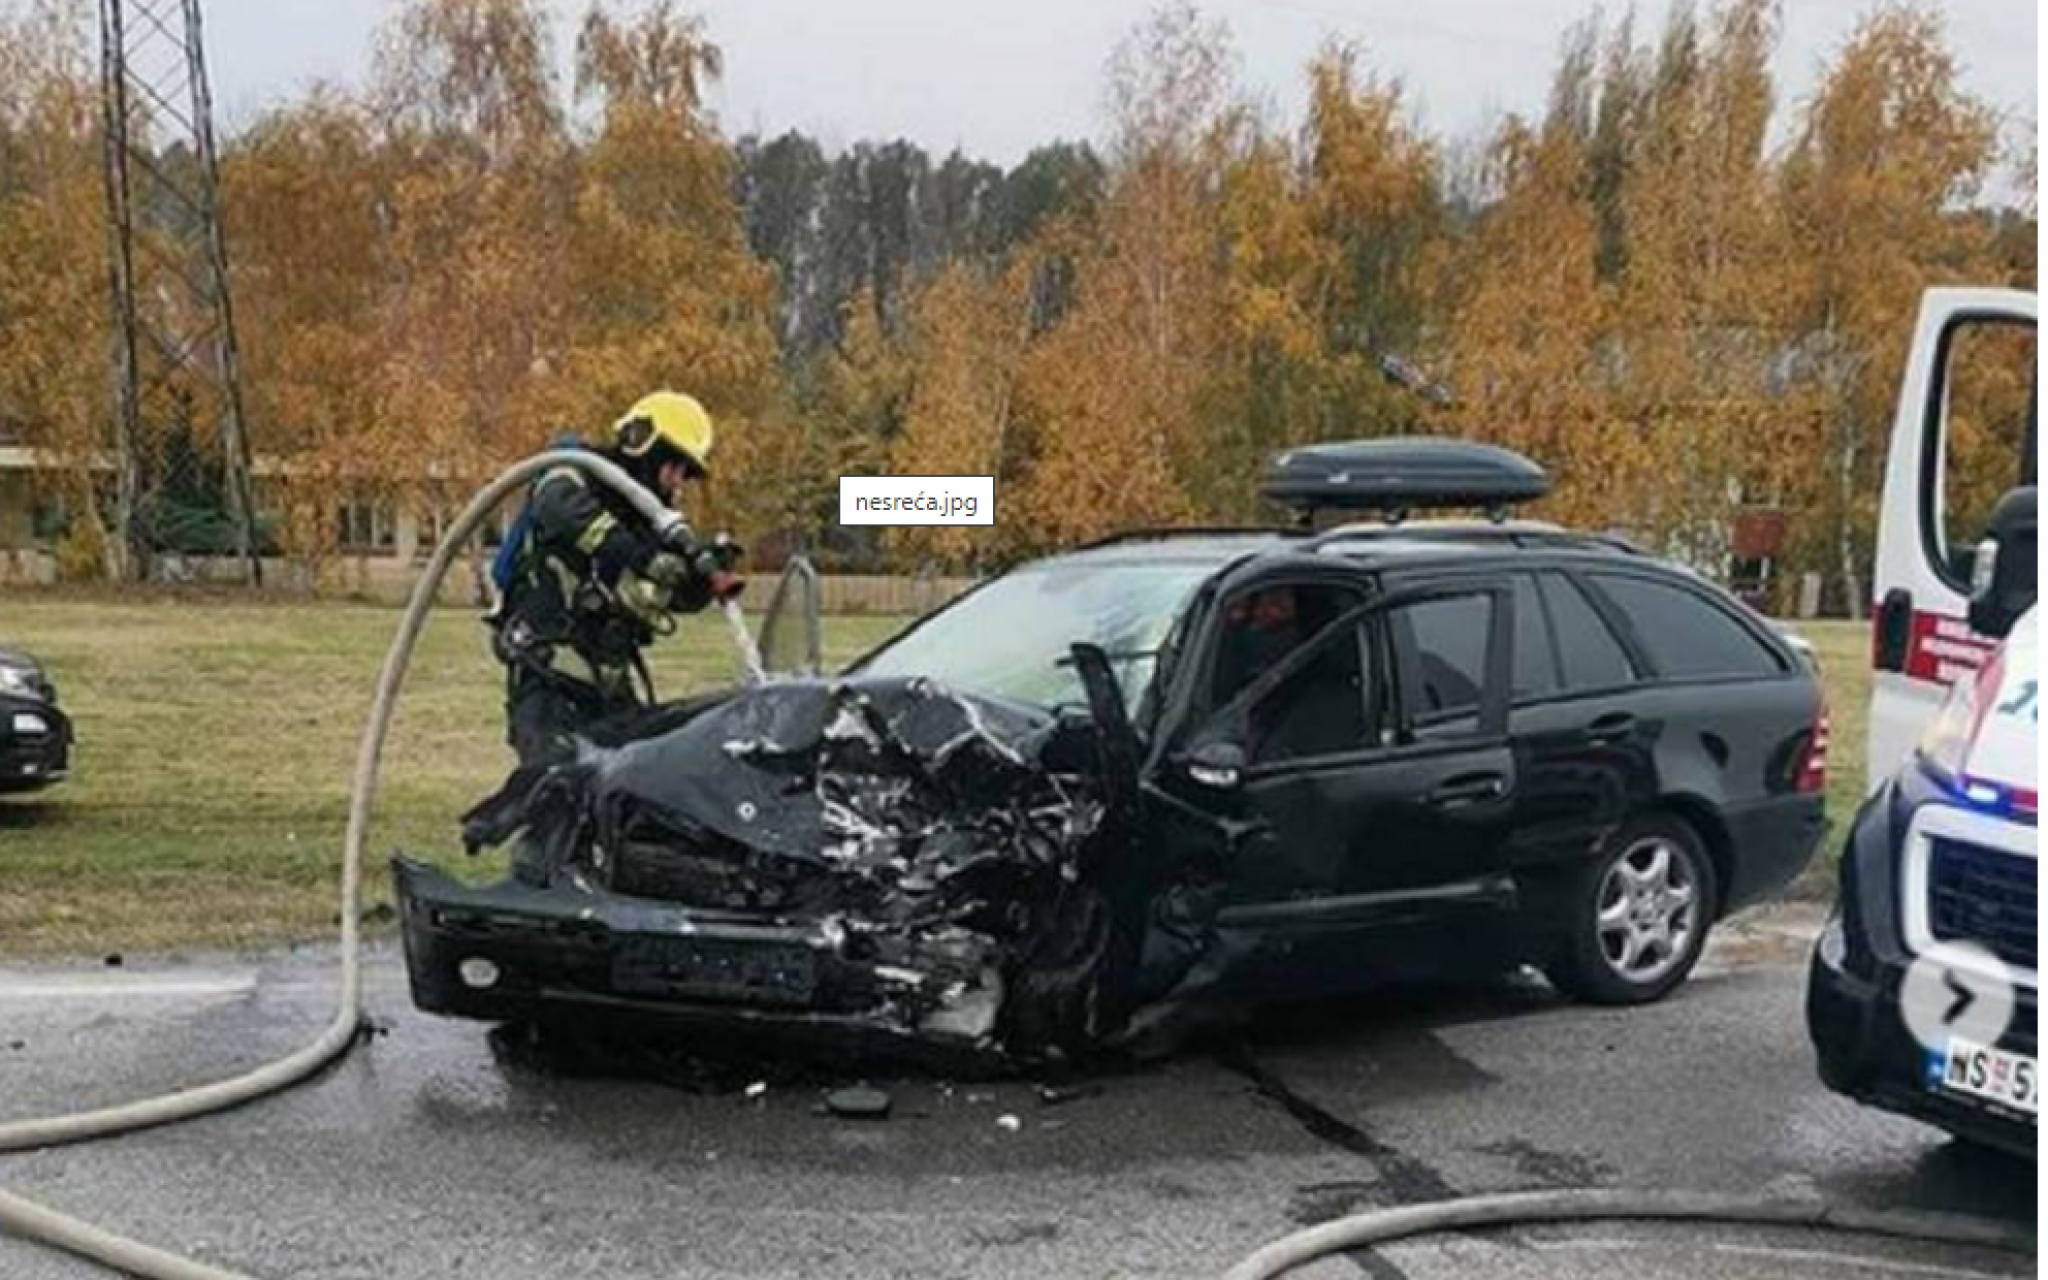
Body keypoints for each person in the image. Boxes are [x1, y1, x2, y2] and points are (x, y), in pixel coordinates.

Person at [492, 390, 744, 765]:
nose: (677, 483)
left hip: (608, 684)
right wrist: (643, 557)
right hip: (548, 676)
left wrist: (699, 574)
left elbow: (674, 596)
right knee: (556, 787)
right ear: (646, 448)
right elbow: (556, 505)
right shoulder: (577, 471)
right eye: (674, 467)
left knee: (637, 787)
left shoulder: (648, 522)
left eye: (685, 475)